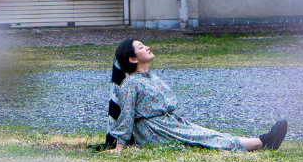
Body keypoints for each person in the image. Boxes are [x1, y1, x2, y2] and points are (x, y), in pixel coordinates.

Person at [105, 38, 288, 152]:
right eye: (140, 47)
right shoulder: (130, 83)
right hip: (153, 130)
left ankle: (259, 141)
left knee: (206, 133)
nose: (147, 47)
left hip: (168, 122)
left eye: (144, 45)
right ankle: (260, 143)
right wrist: (120, 146)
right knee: (200, 138)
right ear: (132, 59)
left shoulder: (152, 77)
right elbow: (126, 115)